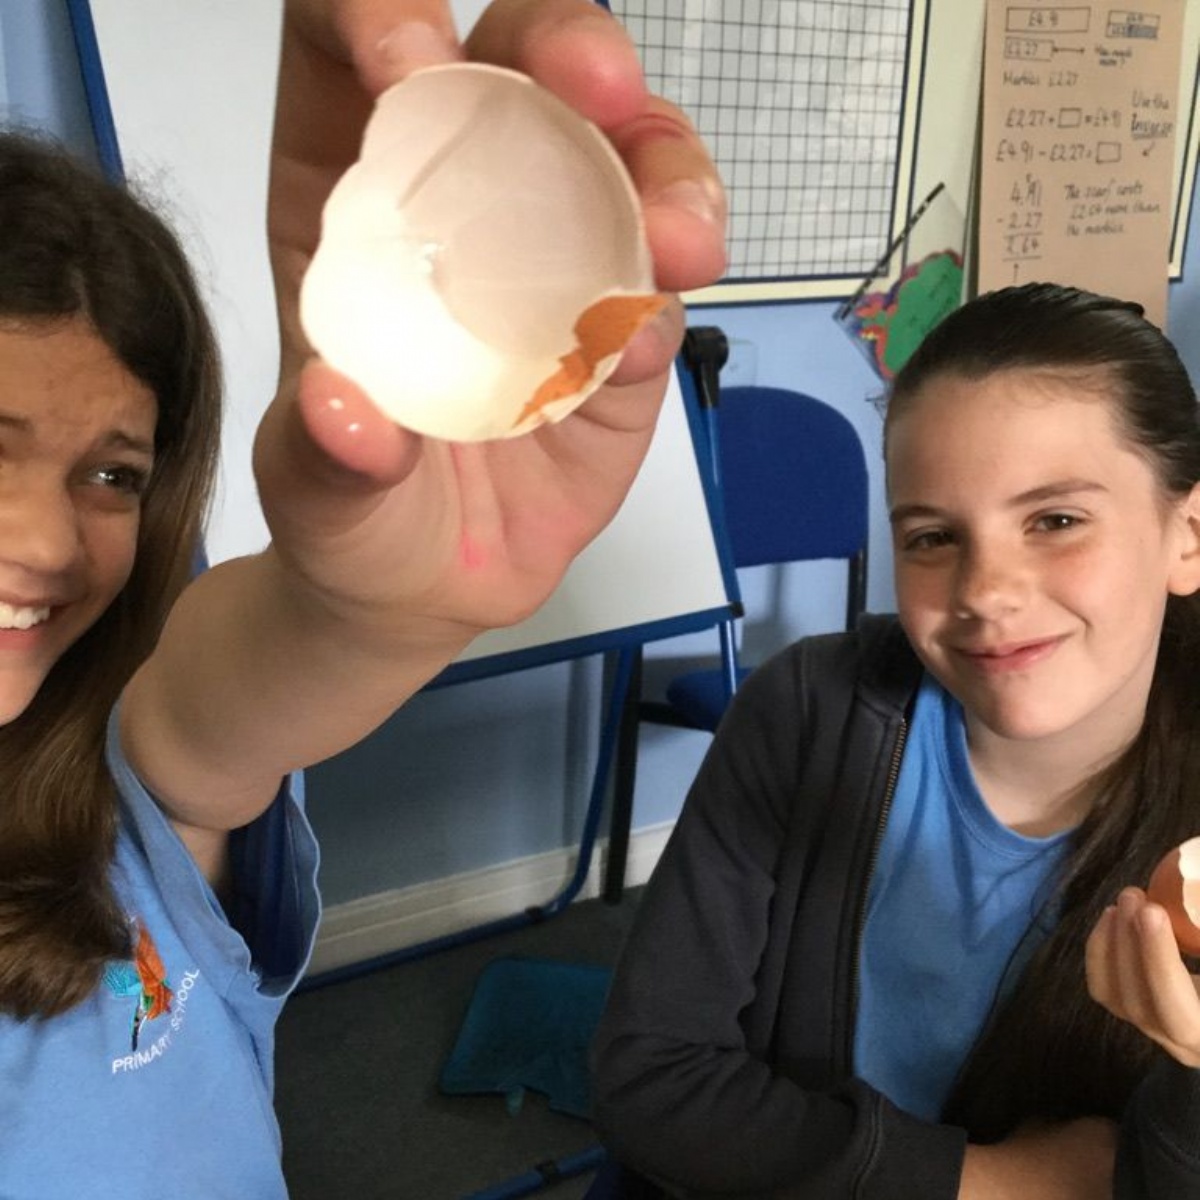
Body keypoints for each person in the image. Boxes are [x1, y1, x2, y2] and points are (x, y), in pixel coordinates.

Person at [0, 0, 726, 1195]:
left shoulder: (126, 799)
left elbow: (238, 693)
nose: (46, 540)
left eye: (112, 474)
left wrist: (377, 607)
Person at [590, 282, 1200, 1199]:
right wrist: (991, 1185)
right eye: (932, 536)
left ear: (1185, 535)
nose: (987, 590)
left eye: (1056, 520)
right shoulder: (806, 712)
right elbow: (649, 1075)